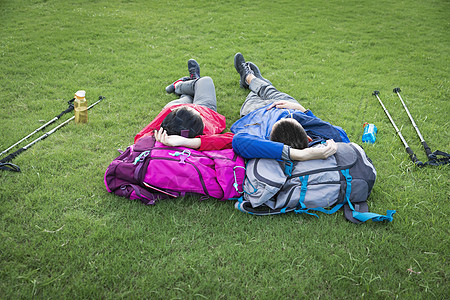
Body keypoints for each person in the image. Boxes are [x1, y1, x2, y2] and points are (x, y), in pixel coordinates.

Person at [231, 52, 350, 161]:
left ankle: (249, 78)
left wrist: (301, 154)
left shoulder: (261, 137)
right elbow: (341, 135)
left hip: (256, 112)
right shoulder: (314, 135)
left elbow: (238, 141)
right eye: (295, 119)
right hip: (287, 105)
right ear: (309, 138)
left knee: (258, 92)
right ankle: (253, 79)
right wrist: (301, 110)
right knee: (267, 89)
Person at [134, 59, 233, 151]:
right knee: (205, 81)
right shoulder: (206, 134)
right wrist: (189, 142)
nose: (193, 107)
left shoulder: (168, 116)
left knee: (188, 97)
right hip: (205, 108)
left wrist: (156, 138)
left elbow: (138, 139)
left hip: (175, 107)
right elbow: (232, 139)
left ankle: (179, 85)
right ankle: (190, 82)